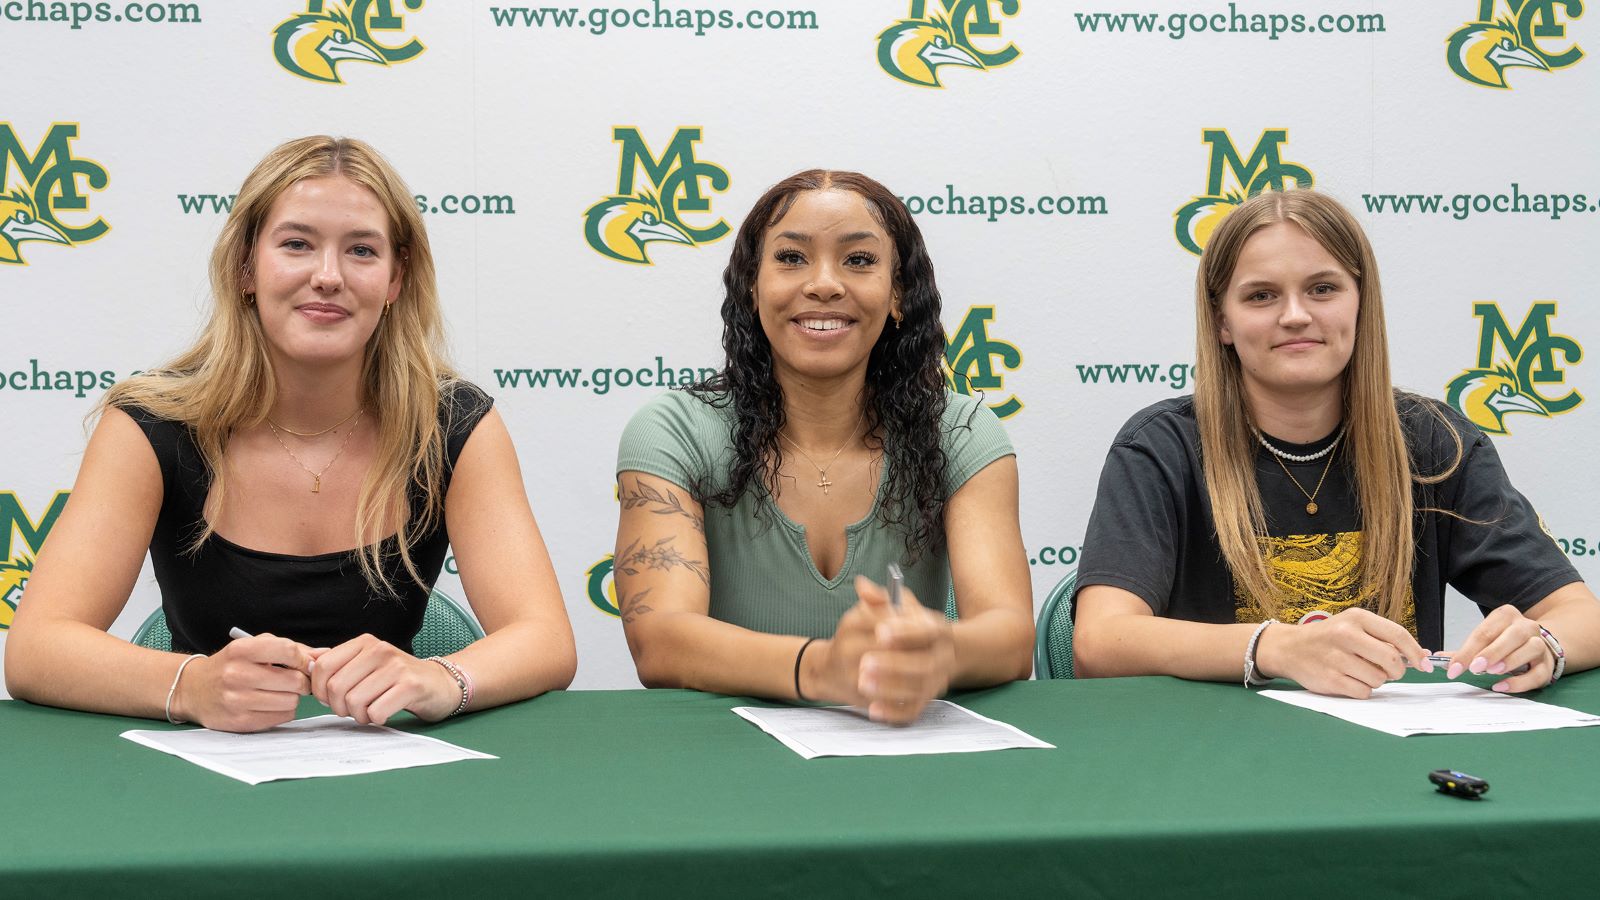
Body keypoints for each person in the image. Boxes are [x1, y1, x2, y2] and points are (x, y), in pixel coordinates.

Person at [5, 136, 576, 731]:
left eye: (361, 251)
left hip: (394, 777)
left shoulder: (455, 425)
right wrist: (189, 686)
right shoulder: (150, 425)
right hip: (199, 784)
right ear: (247, 267)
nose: (328, 277)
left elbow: (544, 640)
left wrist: (440, 678)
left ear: (396, 278)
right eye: (297, 244)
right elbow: (36, 649)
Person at [1073, 189, 1600, 697]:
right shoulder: (1162, 447)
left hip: (1392, 759)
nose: (1296, 315)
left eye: (1322, 289)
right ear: (1222, 322)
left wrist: (1546, 642)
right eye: (1261, 295)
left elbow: (1583, 618)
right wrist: (1275, 648)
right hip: (1213, 759)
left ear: (1360, 302)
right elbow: (1099, 644)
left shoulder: (1437, 444)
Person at [613, 170, 1032, 723]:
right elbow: (661, 641)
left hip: (903, 751)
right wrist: (825, 668)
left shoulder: (962, 430)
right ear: (751, 287)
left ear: (898, 293)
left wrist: (938, 651)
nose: (825, 283)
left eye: (859, 261)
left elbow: (1010, 637)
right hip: (722, 765)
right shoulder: (671, 431)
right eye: (791, 258)